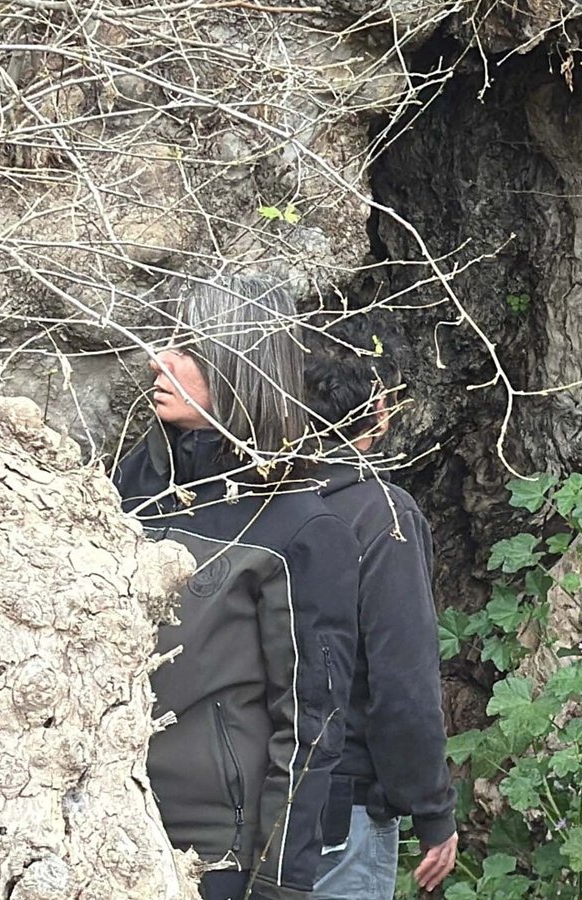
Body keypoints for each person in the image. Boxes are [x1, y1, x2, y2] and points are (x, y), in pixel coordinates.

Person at [113, 275, 359, 900]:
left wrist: (278, 882)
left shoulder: (299, 527)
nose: (159, 361)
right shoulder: (130, 486)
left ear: (239, 366)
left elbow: (310, 725)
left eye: (188, 349)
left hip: (215, 851)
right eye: (165, 342)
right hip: (105, 822)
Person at [302, 316, 459, 899]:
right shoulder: (381, 517)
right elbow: (403, 682)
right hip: (340, 810)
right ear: (379, 410)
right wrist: (433, 810)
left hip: (242, 800)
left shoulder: (250, 498)